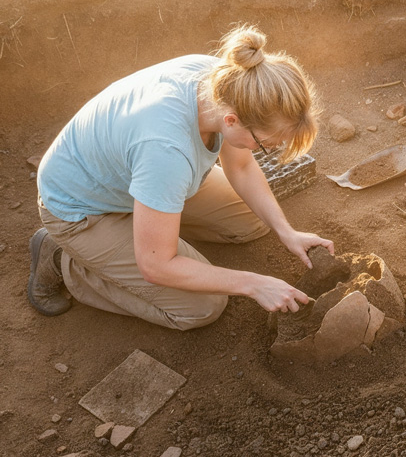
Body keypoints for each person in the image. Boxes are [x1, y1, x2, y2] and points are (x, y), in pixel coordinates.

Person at [28, 25, 333, 330]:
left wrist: (286, 231)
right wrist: (254, 284)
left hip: (140, 179)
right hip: (81, 211)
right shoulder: (166, 151)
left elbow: (239, 167)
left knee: (251, 221)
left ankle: (150, 228)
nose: (265, 150)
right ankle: (62, 261)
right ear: (231, 120)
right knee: (203, 307)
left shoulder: (232, 80)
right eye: (264, 144)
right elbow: (156, 266)